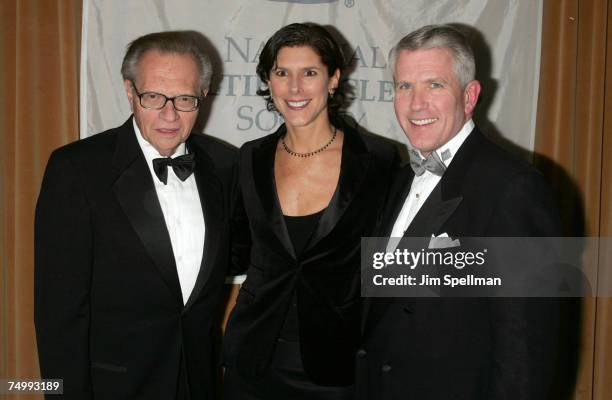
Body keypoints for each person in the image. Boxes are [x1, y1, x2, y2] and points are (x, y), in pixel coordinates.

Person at [357, 24, 561, 399]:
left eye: (434, 85)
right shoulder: (397, 180)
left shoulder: (513, 188)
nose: (417, 104)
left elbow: (526, 351)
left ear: (469, 96)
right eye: (405, 86)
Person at [34, 30, 236, 399]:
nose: (170, 114)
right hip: (114, 387)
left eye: (185, 99)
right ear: (130, 92)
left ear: (203, 96)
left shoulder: (224, 165)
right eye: (154, 96)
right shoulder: (77, 169)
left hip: (199, 384)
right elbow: (58, 315)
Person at [222, 23, 398, 399]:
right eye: (282, 73)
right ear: (268, 81)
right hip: (253, 360)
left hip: (337, 365)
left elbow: (389, 260)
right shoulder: (250, 157)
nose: (295, 88)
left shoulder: (378, 160)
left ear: (333, 79)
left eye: (310, 73)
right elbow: (236, 249)